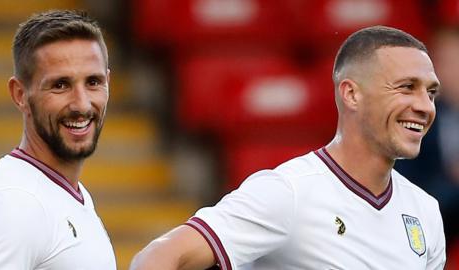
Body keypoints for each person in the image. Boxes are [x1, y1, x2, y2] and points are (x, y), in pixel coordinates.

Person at [130, 25, 446, 269]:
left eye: (430, 93)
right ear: (351, 94)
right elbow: (157, 258)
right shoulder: (288, 193)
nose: (425, 106)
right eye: (407, 88)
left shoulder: (425, 211)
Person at [0, 10, 116, 269]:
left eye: (93, 82)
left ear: (108, 82)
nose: (82, 104)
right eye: (60, 85)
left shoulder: (64, 192)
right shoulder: (12, 204)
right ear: (20, 94)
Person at [395, 25, 459, 248]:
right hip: (437, 215)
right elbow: (404, 179)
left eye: (454, 62)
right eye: (440, 63)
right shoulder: (418, 116)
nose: (445, 72)